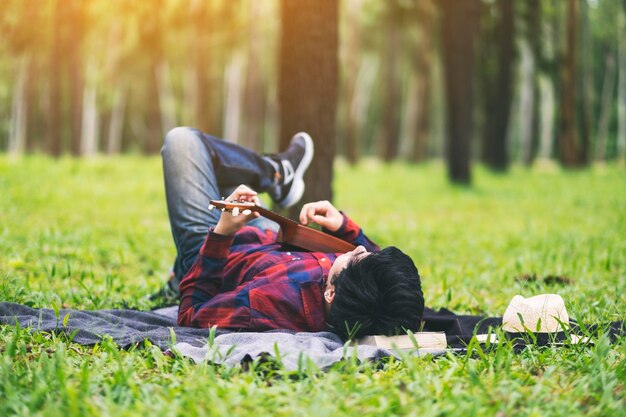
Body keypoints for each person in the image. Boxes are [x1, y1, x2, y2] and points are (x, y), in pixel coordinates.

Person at [158, 127, 424, 340]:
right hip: (270, 240)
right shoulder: (362, 295)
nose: (357, 248)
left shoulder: (263, 303)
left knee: (182, 142)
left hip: (214, 249)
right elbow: (374, 262)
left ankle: (275, 174)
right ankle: (276, 174)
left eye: (355, 257)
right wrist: (343, 226)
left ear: (330, 293)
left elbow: (190, 316)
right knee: (236, 184)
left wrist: (222, 233)